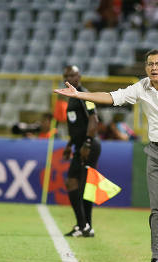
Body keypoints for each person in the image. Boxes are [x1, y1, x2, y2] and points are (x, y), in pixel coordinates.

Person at [54, 50, 158, 262]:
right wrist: (79, 95)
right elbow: (111, 97)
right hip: (154, 151)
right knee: (157, 208)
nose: (154, 67)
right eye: (150, 64)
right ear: (145, 67)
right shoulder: (142, 87)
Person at [61, 65, 101, 238]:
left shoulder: (85, 95)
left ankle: (85, 226)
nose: (71, 77)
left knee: (83, 186)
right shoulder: (71, 97)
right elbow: (77, 125)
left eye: (74, 74)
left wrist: (87, 142)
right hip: (79, 146)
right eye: (68, 75)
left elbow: (94, 119)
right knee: (73, 183)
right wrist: (70, 144)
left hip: (89, 147)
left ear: (80, 76)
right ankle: (83, 225)